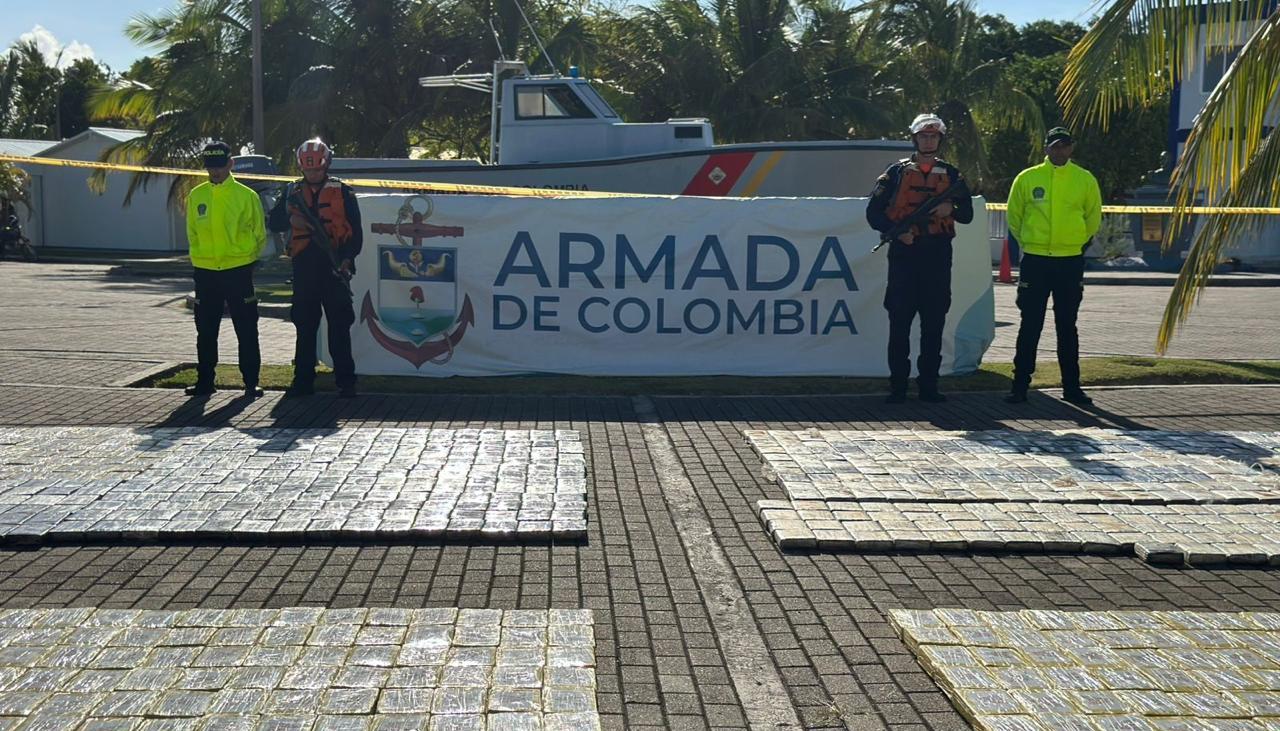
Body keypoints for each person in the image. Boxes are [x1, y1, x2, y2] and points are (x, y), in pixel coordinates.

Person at [866, 113, 974, 403]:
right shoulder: (895, 174)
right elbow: (873, 213)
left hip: (938, 256)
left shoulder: (952, 175)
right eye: (924, 136)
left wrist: (949, 208)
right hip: (904, 256)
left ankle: (929, 387)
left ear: (940, 139)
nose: (929, 140)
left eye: (934, 136)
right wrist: (896, 232)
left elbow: (967, 214)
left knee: (934, 323)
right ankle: (898, 388)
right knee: (899, 323)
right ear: (915, 138)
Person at [1004, 127, 1102, 406]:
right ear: (1046, 148)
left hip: (1069, 262)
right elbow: (1015, 216)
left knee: (1067, 325)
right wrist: (1030, 243)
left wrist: (1075, 244)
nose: (1059, 151)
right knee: (1030, 325)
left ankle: (1072, 388)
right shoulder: (1028, 178)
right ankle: (1019, 385)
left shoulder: (1084, 179)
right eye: (1055, 146)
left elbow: (1093, 216)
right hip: (1035, 261)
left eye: (1065, 146)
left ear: (1072, 148)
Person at [268, 138, 362, 398]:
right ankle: (302, 381)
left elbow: (356, 234)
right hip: (304, 268)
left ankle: (346, 382)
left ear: (327, 165)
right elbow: (274, 224)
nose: (313, 174)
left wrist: (346, 260)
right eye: (308, 170)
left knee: (339, 328)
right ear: (301, 168)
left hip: (335, 269)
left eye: (317, 170)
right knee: (305, 326)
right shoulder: (291, 192)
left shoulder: (343, 192)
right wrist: (290, 217)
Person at [184, 141, 266, 398]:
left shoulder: (246, 196)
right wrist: (200, 258)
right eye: (210, 167)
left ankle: (251, 382)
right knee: (206, 330)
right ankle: (205, 382)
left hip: (238, 271)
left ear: (230, 164)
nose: (215, 172)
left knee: (246, 328)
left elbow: (259, 234)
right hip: (206, 272)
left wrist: (246, 258)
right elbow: (192, 233)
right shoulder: (197, 195)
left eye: (219, 166)